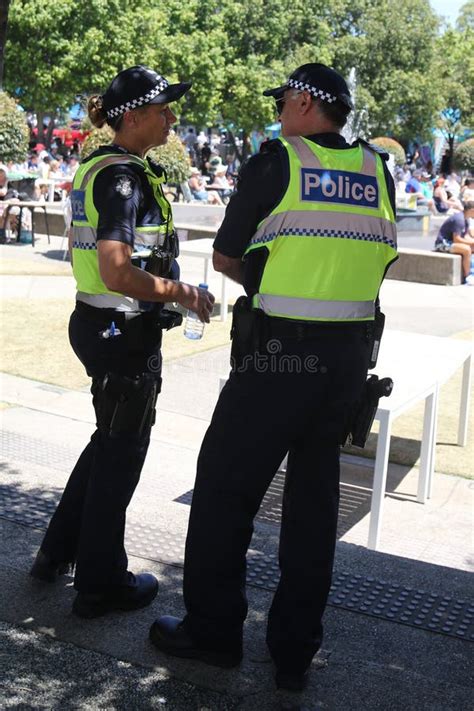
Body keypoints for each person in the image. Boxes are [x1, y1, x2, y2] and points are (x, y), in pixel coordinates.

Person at [149, 63, 398, 690]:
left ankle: (212, 631)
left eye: (286, 99)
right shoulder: (377, 171)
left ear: (310, 105)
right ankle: (293, 653)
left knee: (225, 488)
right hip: (347, 359)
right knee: (313, 503)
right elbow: (380, 257)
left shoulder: (276, 162)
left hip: (279, 354)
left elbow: (228, 255)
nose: (280, 110)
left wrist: (273, 284)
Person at [29, 65, 215, 618]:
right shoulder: (122, 179)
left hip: (102, 325)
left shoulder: (106, 168)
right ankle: (101, 584)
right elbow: (116, 269)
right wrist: (181, 290)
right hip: (122, 332)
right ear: (131, 117)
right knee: (122, 456)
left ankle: (55, 554)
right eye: (163, 111)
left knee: (107, 441)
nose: (172, 120)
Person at [434, 200, 474, 282]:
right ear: (472, 211)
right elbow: (457, 239)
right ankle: (468, 277)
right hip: (442, 244)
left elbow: (465, 236)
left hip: (452, 243)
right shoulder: (459, 219)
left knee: (472, 247)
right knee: (467, 250)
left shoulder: (466, 219)